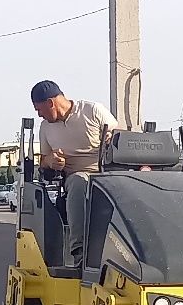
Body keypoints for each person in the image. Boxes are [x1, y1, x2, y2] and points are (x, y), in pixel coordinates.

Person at [31, 80, 118, 262]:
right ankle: (79, 251)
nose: (39, 115)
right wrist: (51, 161)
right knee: (79, 182)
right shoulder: (46, 128)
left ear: (50, 103)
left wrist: (112, 138)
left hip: (109, 171)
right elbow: (42, 161)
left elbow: (120, 137)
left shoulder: (93, 111)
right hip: (76, 175)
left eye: (39, 109)